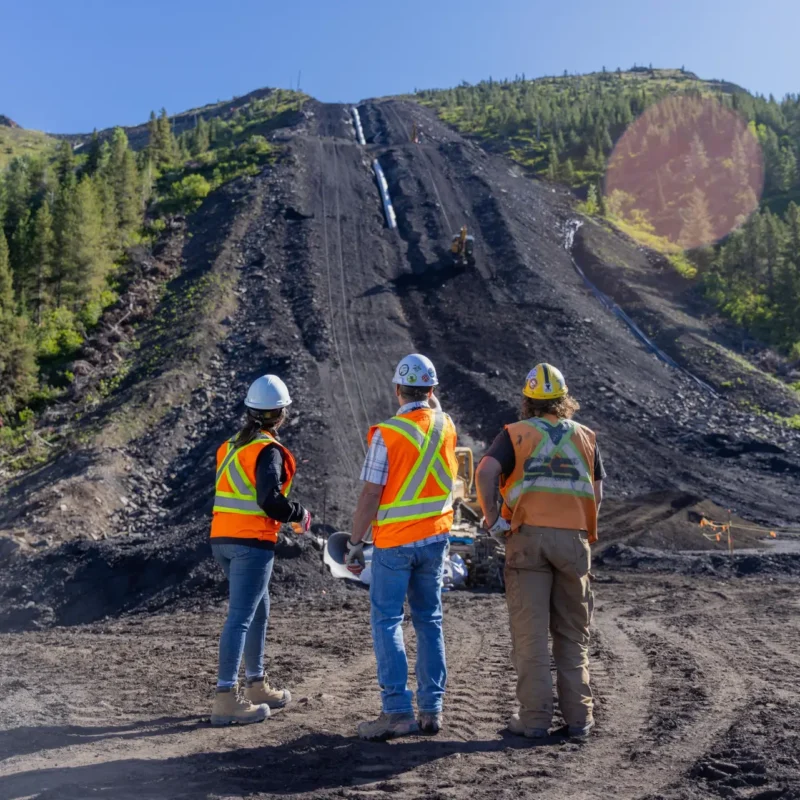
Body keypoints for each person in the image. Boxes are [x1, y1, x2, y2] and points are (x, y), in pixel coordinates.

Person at [475, 363, 605, 740]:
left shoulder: (514, 434)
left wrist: (493, 518)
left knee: (531, 636)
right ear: (564, 401)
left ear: (527, 401)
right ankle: (580, 721)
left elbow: (484, 472)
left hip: (528, 539)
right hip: (574, 543)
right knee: (572, 635)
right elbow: (596, 495)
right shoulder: (587, 437)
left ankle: (533, 721)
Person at [346, 354, 458, 741]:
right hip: (436, 540)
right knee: (429, 620)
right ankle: (431, 710)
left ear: (397, 391)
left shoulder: (388, 433)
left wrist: (357, 543)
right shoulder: (446, 426)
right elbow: (435, 413)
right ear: (432, 391)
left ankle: (396, 712)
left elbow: (370, 495)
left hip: (395, 544)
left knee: (388, 621)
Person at [209, 374, 311, 726]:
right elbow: (269, 500)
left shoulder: (231, 446)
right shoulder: (267, 450)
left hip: (222, 540)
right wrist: (299, 514)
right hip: (250, 543)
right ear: (280, 414)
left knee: (258, 610)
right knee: (240, 617)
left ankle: (256, 685)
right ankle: (226, 697)